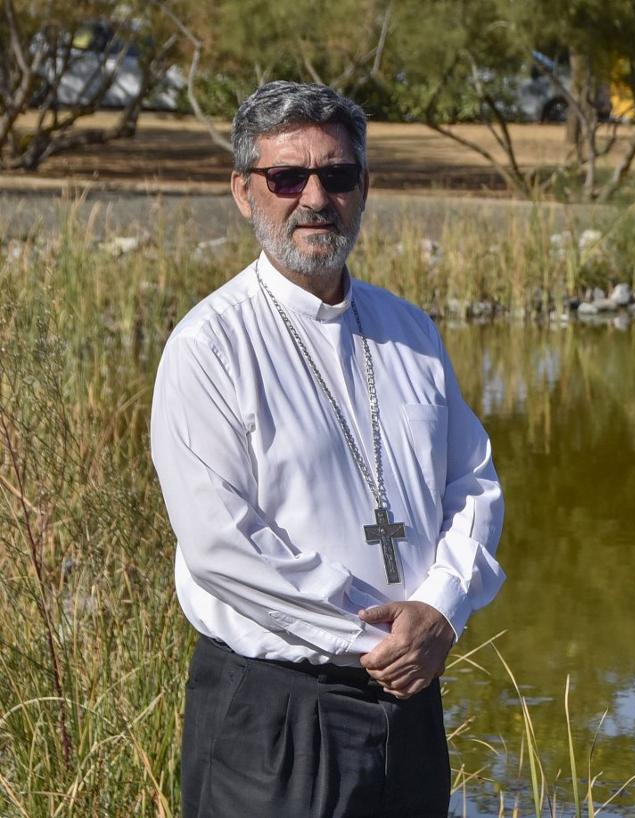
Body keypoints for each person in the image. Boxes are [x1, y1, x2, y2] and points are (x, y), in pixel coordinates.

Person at [150, 80, 505, 817]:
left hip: (408, 703)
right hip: (276, 716)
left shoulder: (410, 331)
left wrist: (439, 610)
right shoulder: (210, 346)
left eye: (336, 175)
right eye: (287, 177)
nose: (315, 197)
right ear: (245, 191)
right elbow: (222, 545)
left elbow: (472, 485)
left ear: (364, 188)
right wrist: (374, 634)